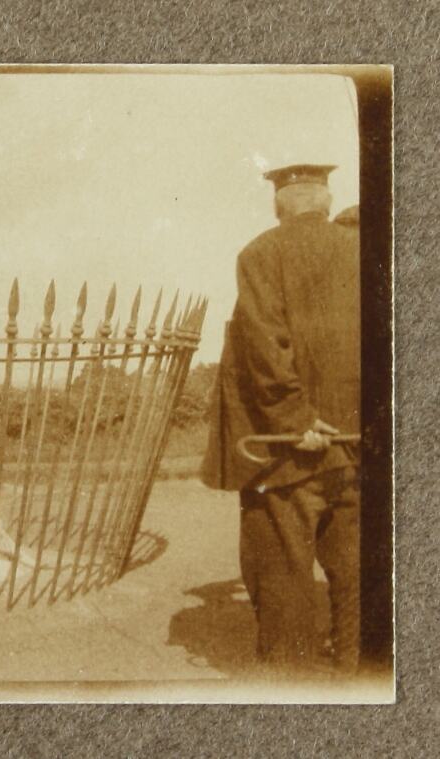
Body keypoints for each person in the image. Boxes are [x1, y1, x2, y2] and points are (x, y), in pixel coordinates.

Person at [201, 164, 361, 674]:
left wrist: (297, 420)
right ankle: (359, 673)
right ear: (326, 200)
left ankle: (291, 689)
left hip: (290, 453)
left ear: (279, 204)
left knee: (283, 574)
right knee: (357, 573)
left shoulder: (260, 254)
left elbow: (265, 347)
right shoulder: (367, 250)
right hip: (359, 444)